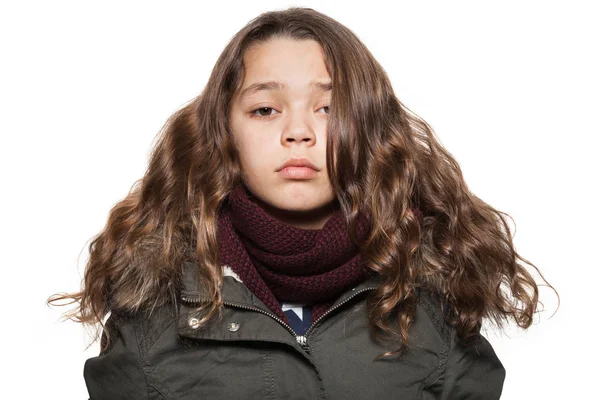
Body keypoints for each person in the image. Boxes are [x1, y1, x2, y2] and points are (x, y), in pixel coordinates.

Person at [48, 6, 558, 399]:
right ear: (225, 131)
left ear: (367, 130)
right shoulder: (151, 307)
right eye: (266, 109)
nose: (298, 132)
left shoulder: (437, 296)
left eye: (328, 108)